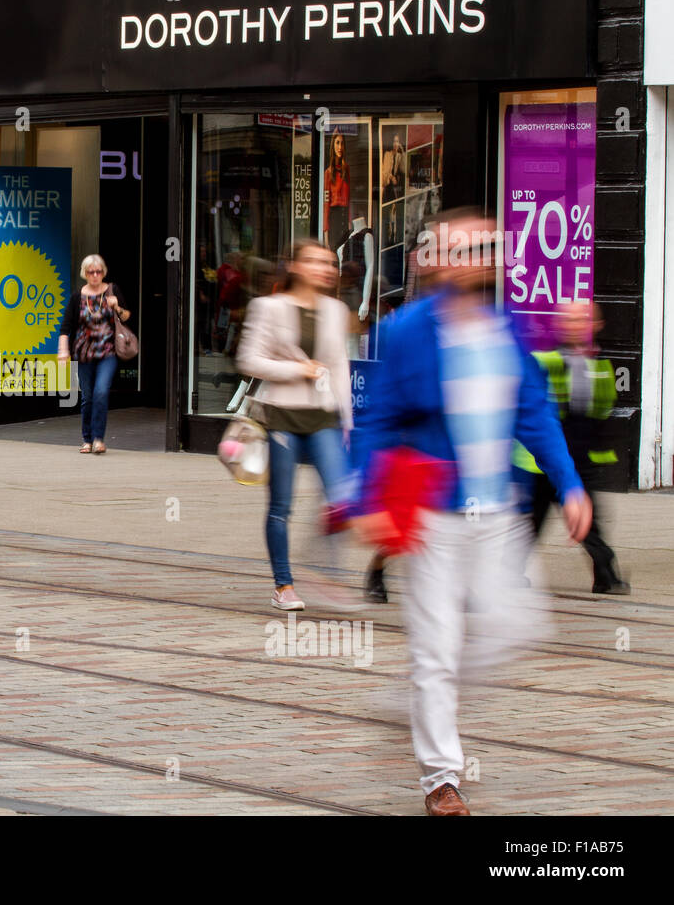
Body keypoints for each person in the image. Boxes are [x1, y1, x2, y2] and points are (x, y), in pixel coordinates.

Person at [348, 208, 591, 816]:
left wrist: (570, 485)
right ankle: (441, 779)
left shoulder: (509, 328)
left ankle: (421, 694)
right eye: (459, 249)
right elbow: (379, 419)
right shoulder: (406, 330)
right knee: (436, 649)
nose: (473, 258)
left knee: (517, 628)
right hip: (432, 515)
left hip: (499, 515)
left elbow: (535, 412)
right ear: (433, 260)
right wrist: (367, 498)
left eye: (482, 248)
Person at [236, 239, 353, 612]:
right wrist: (297, 369)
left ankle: (326, 571)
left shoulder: (336, 310)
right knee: (281, 505)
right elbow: (248, 360)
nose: (326, 269)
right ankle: (283, 585)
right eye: (317, 262)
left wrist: (348, 420)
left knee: (341, 499)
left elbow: (340, 367)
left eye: (330, 263)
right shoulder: (269, 307)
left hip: (323, 416)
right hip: (282, 416)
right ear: (296, 267)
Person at [513, 300, 629, 594]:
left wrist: (595, 452)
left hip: (579, 457)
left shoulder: (601, 366)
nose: (577, 326)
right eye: (571, 320)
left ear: (596, 325)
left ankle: (606, 576)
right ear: (560, 325)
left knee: (589, 521)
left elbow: (603, 409)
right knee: (532, 523)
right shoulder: (544, 361)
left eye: (583, 320)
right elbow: (534, 412)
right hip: (544, 459)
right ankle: (509, 573)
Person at [57, 254, 131, 455]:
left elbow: (126, 317)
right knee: (88, 396)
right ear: (85, 274)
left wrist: (116, 306)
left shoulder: (112, 290)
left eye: (99, 271)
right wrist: (63, 349)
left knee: (100, 392)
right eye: (91, 272)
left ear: (103, 272)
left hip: (107, 352)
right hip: (83, 354)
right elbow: (66, 327)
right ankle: (87, 440)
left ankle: (99, 439)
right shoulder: (77, 297)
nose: (95, 275)